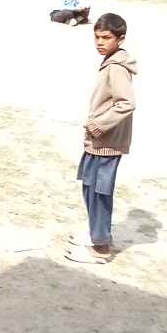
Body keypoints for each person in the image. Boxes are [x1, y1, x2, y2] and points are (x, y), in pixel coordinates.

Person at [65, 13, 137, 265]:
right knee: (90, 188)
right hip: (98, 141)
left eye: (106, 37)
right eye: (97, 37)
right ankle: (97, 233)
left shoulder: (117, 68)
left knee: (99, 193)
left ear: (120, 38)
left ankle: (101, 248)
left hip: (106, 142)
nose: (100, 42)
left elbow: (126, 103)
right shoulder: (110, 62)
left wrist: (99, 125)